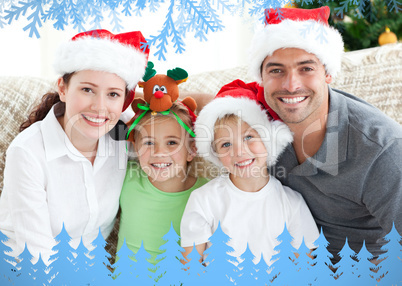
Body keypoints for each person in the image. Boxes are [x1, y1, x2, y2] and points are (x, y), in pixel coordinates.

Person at [217, 6, 402, 263]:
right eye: (276, 70)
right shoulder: (256, 125)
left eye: (306, 69)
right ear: (261, 77)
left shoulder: (382, 149)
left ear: (327, 73)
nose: (291, 85)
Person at [0, 29, 149, 264]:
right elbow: (38, 257)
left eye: (112, 94)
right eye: (87, 89)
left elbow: (171, 114)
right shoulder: (28, 152)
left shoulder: (123, 137)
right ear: (63, 88)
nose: (100, 107)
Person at [180, 96, 320, 264]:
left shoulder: (292, 202)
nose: (239, 151)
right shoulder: (204, 200)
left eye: (248, 137)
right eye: (226, 144)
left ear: (267, 140)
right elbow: (190, 265)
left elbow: (304, 266)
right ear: (215, 154)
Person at [117, 100, 209, 265]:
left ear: (192, 150)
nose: (159, 153)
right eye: (149, 143)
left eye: (172, 142)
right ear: (135, 148)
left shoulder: (207, 193)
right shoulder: (126, 177)